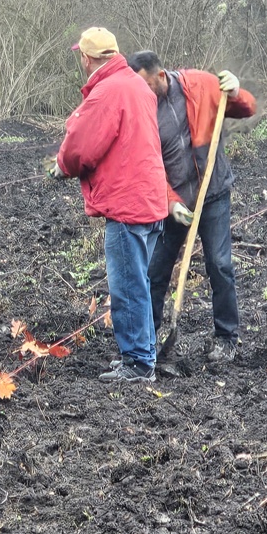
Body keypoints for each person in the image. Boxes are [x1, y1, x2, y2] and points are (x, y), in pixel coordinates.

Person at [48, 27, 168, 383]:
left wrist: (63, 166)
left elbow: (81, 147)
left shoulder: (107, 91)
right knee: (139, 281)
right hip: (148, 198)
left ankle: (138, 364)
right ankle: (143, 354)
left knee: (127, 285)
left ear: (86, 58)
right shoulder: (135, 85)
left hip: (126, 202)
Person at [126, 50, 258, 362]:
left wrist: (237, 91)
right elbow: (149, 168)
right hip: (174, 203)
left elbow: (245, 107)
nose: (141, 92)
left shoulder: (199, 84)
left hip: (212, 193)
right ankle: (150, 337)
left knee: (220, 264)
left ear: (160, 76)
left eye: (144, 85)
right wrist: (171, 202)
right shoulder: (142, 112)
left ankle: (226, 336)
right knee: (156, 270)